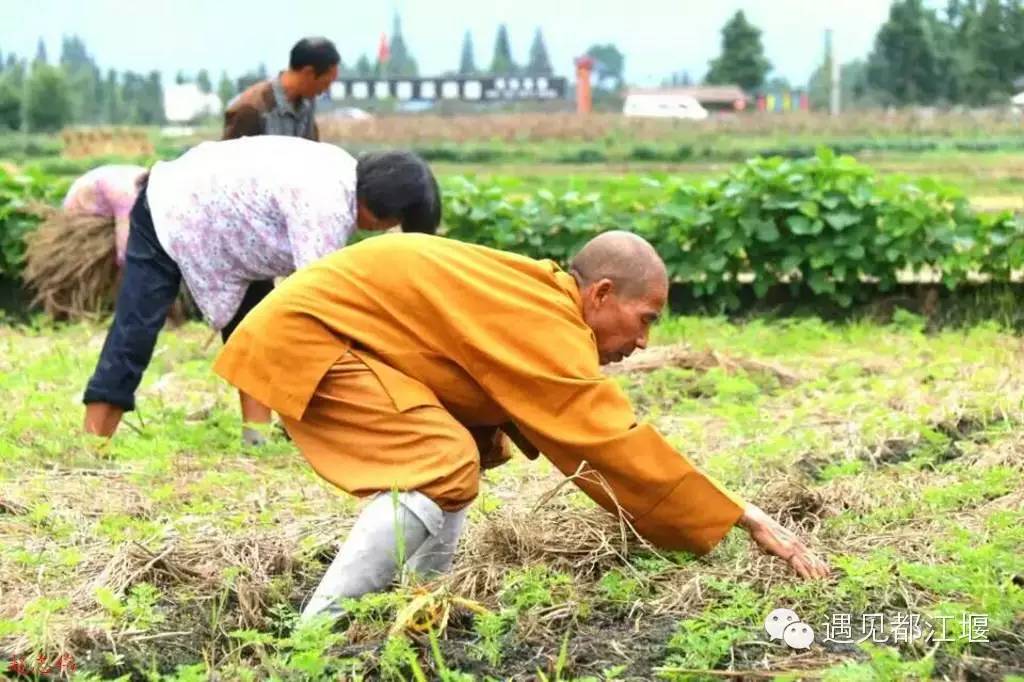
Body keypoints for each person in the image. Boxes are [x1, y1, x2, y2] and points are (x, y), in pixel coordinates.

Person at [213, 230, 831, 623]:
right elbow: (606, 436)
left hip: (325, 332)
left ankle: (421, 606)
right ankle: (317, 633)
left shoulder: (539, 298)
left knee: (460, 456)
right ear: (601, 294)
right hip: (310, 338)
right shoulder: (546, 319)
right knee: (441, 460)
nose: (642, 342)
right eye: (643, 319)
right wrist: (740, 513)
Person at [82, 136, 441, 445]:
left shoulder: (341, 173)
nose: (381, 231)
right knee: (137, 326)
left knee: (253, 334)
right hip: (174, 209)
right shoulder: (326, 203)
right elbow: (322, 300)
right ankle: (93, 443)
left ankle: (257, 437)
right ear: (382, 209)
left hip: (234, 235)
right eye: (391, 224)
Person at [223, 37, 340, 141]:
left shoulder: (307, 105)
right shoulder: (251, 108)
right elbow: (230, 160)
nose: (325, 91)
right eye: (325, 83)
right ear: (308, 73)